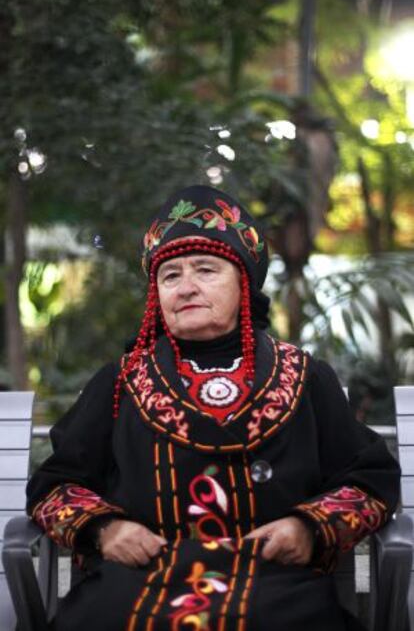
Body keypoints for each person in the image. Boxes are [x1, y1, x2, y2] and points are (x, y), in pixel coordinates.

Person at [27, 185, 400, 631]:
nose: (186, 288)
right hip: (137, 579)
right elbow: (53, 487)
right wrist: (105, 530)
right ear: (157, 296)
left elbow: (371, 481)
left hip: (275, 582)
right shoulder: (120, 382)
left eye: (206, 270)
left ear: (243, 283)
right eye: (170, 276)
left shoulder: (305, 377)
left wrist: (309, 527)